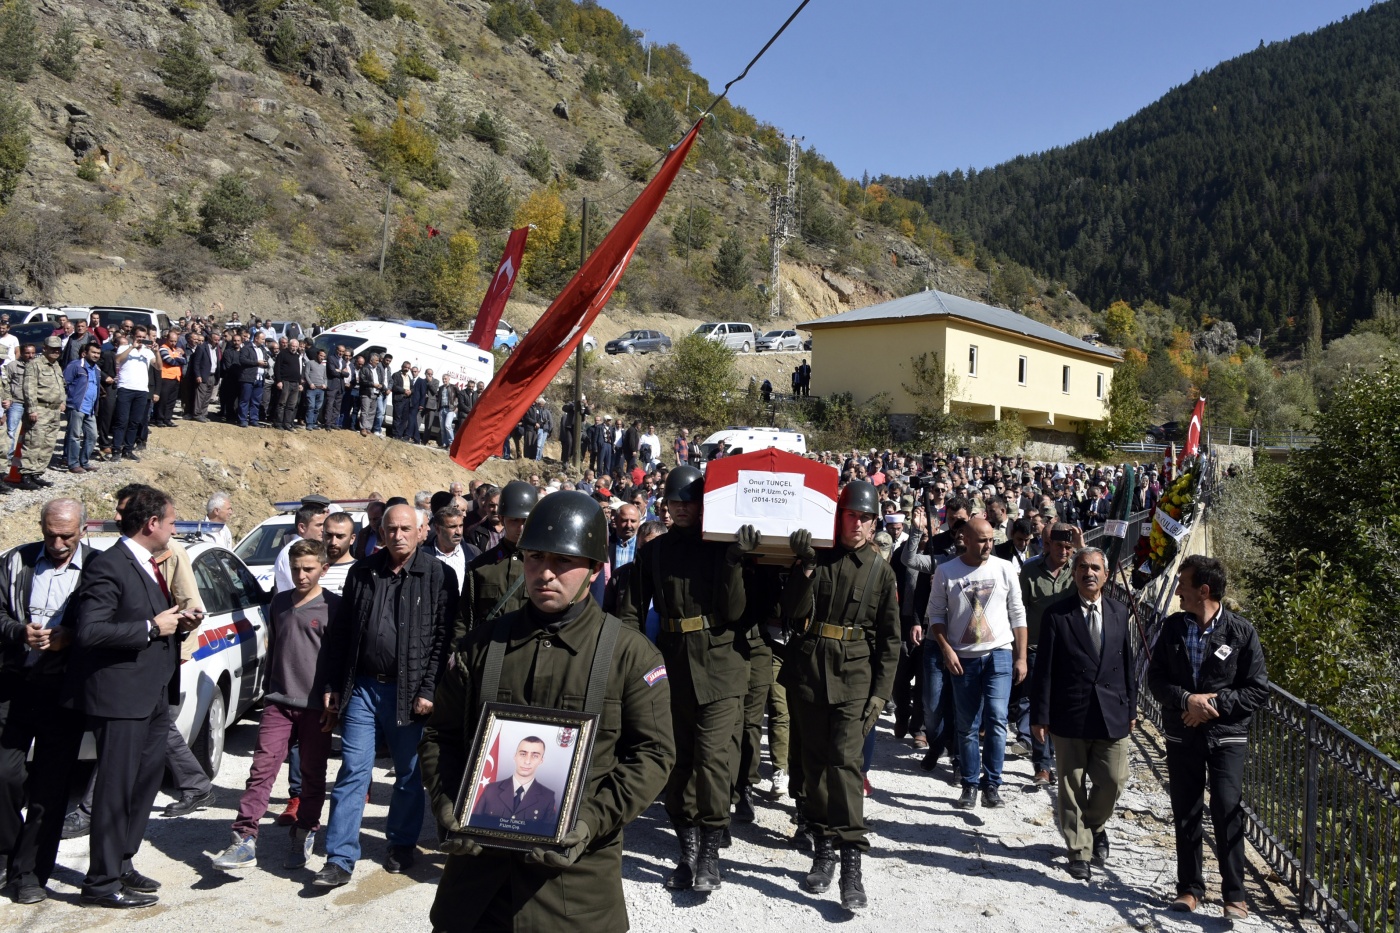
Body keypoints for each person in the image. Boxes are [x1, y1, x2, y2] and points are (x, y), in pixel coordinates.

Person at [419, 491, 675, 932]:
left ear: (595, 567)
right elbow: (440, 737)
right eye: (535, 558)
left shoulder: (631, 656)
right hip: (477, 890)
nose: (545, 573)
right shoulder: (482, 646)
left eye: (563, 561)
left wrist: (591, 820)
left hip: (572, 892)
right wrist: (446, 802)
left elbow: (652, 756)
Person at [619, 464, 753, 893]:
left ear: (703, 504)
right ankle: (688, 850)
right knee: (677, 761)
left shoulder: (722, 547)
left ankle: (711, 852)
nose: (680, 509)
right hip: (672, 665)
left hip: (721, 666)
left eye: (688, 502)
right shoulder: (654, 552)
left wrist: (734, 561)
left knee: (713, 761)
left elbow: (734, 613)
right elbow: (631, 609)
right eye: (674, 502)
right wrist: (636, 660)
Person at [65, 487, 201, 908]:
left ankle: (122, 861)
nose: (176, 529)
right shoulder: (109, 565)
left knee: (143, 786)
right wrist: (149, 628)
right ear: (152, 524)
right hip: (120, 699)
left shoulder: (150, 564)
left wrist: (179, 622)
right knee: (115, 789)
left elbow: (154, 621)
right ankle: (101, 882)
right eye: (173, 521)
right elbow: (89, 631)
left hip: (153, 695)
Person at [312, 503, 456, 887]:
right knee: (353, 771)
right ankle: (339, 857)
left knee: (409, 775)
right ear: (382, 532)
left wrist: (428, 689)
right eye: (391, 529)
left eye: (406, 529)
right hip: (362, 687)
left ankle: (401, 843)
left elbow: (444, 639)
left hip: (409, 692)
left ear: (422, 531)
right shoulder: (362, 571)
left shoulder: (438, 575)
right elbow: (342, 633)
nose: (398, 536)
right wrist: (332, 685)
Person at [779, 481, 900, 910]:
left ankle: (851, 861)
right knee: (813, 765)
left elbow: (890, 640)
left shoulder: (881, 571)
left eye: (865, 517)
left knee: (845, 766)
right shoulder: (820, 557)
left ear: (873, 522)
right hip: (810, 671)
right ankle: (823, 849)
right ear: (839, 516)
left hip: (854, 679)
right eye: (851, 515)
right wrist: (805, 568)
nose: (858, 524)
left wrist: (881, 696)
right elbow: (791, 612)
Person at [1147, 556, 1269, 921]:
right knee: (1186, 810)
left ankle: (1235, 895)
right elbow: (1155, 680)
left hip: (1226, 737)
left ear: (1204, 590)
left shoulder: (1241, 632)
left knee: (1227, 808)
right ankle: (1190, 889)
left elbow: (1257, 690)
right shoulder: (1172, 628)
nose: (1178, 591)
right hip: (1182, 733)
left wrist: (1211, 704)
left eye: (1183, 584)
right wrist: (1186, 700)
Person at [212, 539, 339, 872]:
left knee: (313, 775)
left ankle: (306, 829)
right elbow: (275, 647)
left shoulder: (334, 607)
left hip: (315, 708)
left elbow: (339, 661)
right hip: (278, 702)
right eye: (295, 569)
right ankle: (244, 838)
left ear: (323, 569)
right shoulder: (279, 603)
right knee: (261, 771)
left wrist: (334, 697)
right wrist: (266, 691)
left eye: (308, 569)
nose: (301, 575)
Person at [0, 499, 91, 904]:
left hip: (64, 690)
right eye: (50, 533)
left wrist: (71, 635)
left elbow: (106, 618)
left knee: (50, 789)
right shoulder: (16, 562)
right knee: (4, 775)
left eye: (66, 536)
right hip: (14, 684)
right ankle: (9, 853)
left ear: (82, 530)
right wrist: (20, 633)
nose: (57, 542)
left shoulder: (99, 567)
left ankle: (31, 873)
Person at [1029, 546, 1136, 881]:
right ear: (1074, 574)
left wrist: (1131, 707)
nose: (1089, 573)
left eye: (1095, 568)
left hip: (1111, 713)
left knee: (1114, 780)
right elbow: (1043, 668)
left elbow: (1128, 665)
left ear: (1106, 575)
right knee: (1070, 785)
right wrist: (1039, 715)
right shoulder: (1057, 615)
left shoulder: (1120, 612)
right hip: (1069, 712)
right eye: (1082, 568)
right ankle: (1079, 850)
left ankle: (1093, 826)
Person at [927, 518, 1028, 810]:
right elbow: (936, 616)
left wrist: (1020, 656)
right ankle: (970, 784)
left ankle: (992, 784)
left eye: (991, 540)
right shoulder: (946, 571)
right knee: (967, 724)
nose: (988, 545)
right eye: (982, 540)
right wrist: (946, 650)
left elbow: (1018, 614)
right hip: (964, 658)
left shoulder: (1005, 568)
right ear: (965, 539)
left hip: (999, 653)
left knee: (996, 718)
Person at [1016, 522, 1081, 785]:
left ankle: (1059, 760)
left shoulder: (1077, 570)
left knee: (1063, 707)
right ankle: (1042, 764)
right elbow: (1019, 610)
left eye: (1068, 546)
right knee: (1038, 706)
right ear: (1047, 545)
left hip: (1068, 650)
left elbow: (1095, 581)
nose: (1064, 551)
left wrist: (1081, 543)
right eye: (1059, 546)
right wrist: (1018, 651)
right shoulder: (1031, 571)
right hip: (1036, 649)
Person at [462, 481, 537, 639]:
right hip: (486, 650)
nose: (521, 527)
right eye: (514, 520)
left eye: (525, 520)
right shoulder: (480, 566)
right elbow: (463, 621)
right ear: (502, 520)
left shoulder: (546, 567)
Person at [467, 736, 559, 836]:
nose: (527, 761)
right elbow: (473, 825)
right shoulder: (491, 789)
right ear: (515, 756)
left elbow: (546, 834)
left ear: (541, 760)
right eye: (523, 754)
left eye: (535, 756)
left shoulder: (547, 797)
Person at [16, 336, 66, 489]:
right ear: (44, 348)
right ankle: (25, 475)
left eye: (58, 349)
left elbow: (60, 385)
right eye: (52, 349)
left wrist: (62, 401)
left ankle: (36, 473)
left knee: (48, 444)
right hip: (39, 409)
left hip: (54, 411)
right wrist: (32, 409)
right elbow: (29, 388)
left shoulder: (56, 365)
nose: (56, 352)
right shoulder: (35, 364)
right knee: (33, 443)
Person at [62, 340, 103, 474]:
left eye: (98, 353)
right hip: (76, 406)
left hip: (90, 408)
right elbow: (64, 383)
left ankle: (84, 461)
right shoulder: (75, 366)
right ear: (85, 353)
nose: (96, 355)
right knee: (74, 436)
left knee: (92, 435)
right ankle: (73, 463)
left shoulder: (97, 369)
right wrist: (65, 401)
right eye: (93, 352)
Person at [272, 502, 328, 596]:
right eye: (319, 525)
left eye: (324, 525)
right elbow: (299, 590)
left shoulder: (318, 549)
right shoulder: (292, 552)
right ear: (302, 528)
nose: (324, 529)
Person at [318, 512, 357, 596]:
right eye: (328, 535)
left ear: (352, 539)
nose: (333, 542)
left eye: (340, 536)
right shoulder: (312, 569)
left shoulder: (360, 572)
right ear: (322, 535)